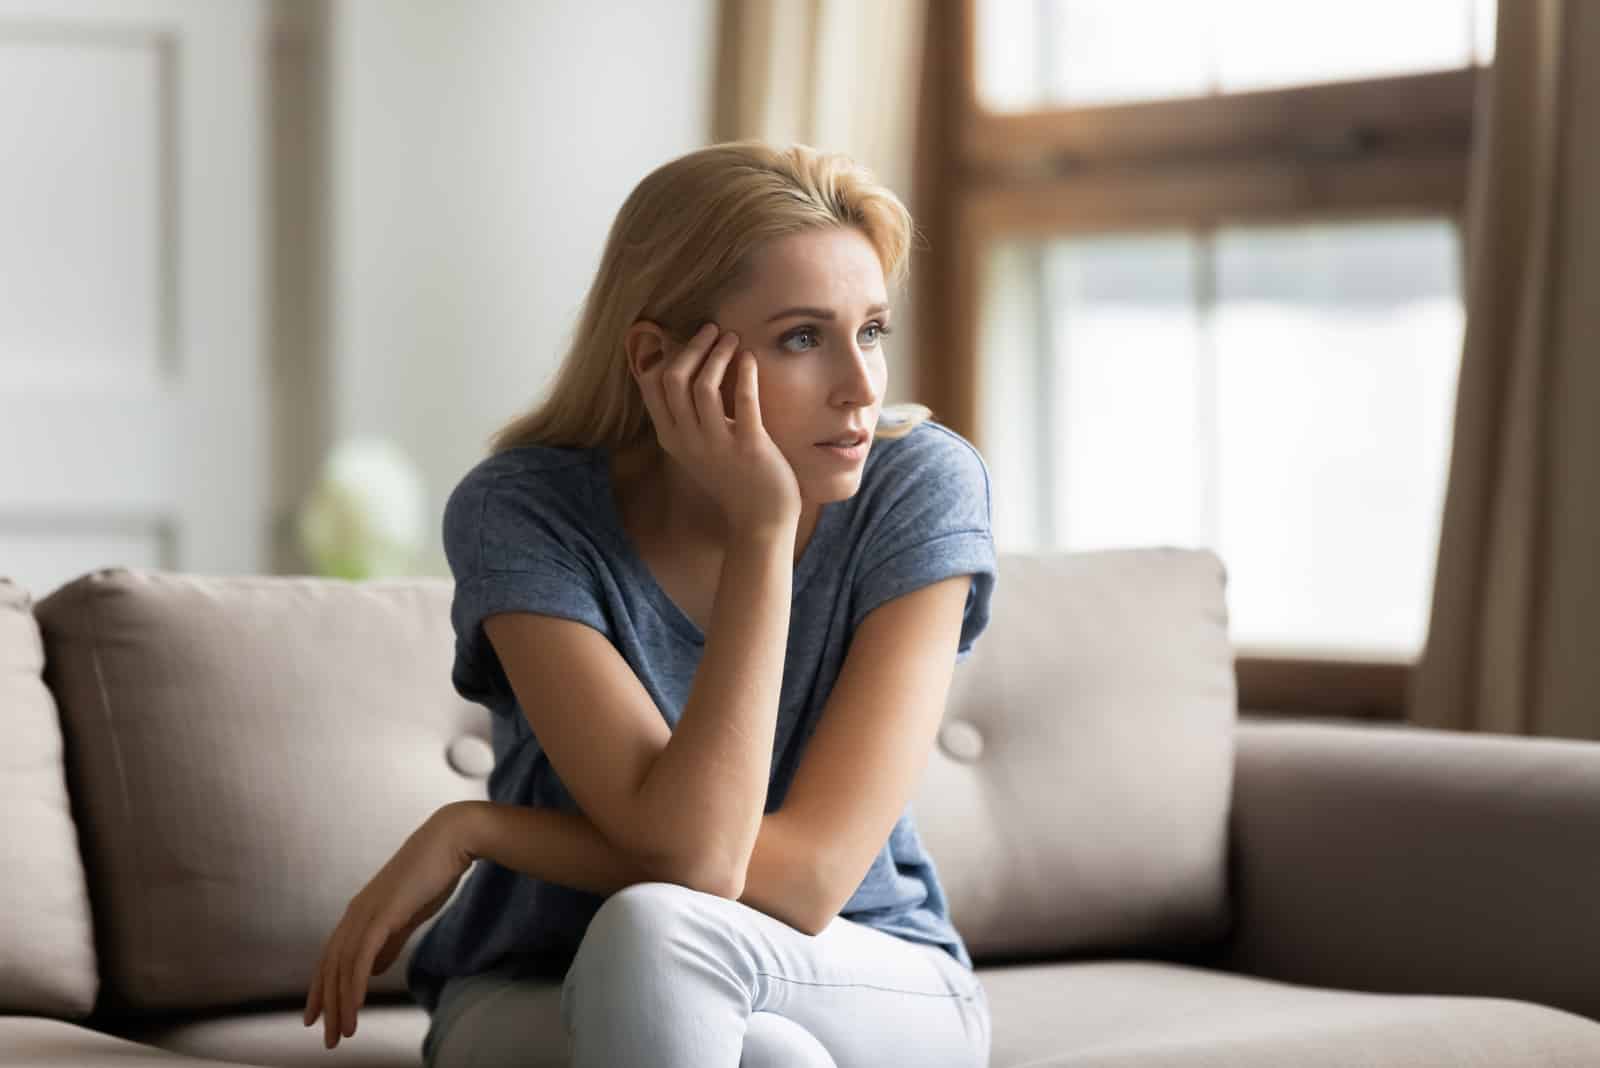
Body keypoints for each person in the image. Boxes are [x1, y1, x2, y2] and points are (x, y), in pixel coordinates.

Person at [301, 141, 998, 1068]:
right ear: (658, 359)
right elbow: (697, 854)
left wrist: (481, 828)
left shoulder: (919, 486)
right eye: (803, 337)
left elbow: (805, 878)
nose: (862, 387)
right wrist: (765, 533)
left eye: (870, 330)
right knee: (749, 1033)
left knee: (660, 931)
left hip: (866, 970)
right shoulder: (524, 513)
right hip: (536, 986)